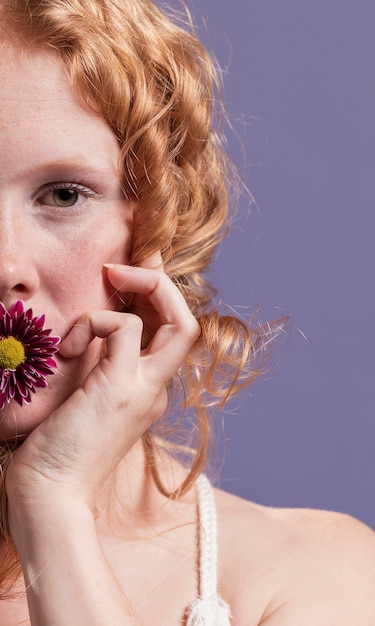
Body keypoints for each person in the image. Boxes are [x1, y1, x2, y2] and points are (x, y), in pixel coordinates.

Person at [0, 1, 374, 624]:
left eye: (64, 194)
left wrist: (53, 502)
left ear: (154, 228)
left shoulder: (317, 575)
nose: (6, 264)